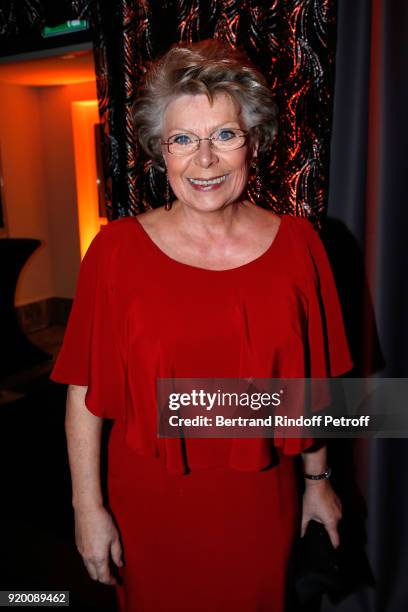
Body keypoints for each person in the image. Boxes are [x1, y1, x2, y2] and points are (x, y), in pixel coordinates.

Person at [51, 40, 353, 612]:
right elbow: (85, 391)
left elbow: (313, 391)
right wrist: (86, 508)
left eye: (224, 135)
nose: (205, 159)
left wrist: (319, 483)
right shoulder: (115, 251)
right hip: (150, 505)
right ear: (159, 152)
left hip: (261, 496)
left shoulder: (300, 244)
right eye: (183, 139)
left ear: (254, 143)